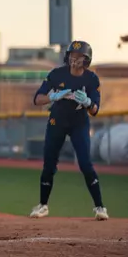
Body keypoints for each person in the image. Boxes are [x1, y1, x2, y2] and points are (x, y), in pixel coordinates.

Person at [30, 40, 108, 221]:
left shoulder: (91, 79)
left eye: (79, 57)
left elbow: (95, 110)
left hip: (79, 123)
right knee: (49, 163)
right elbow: (37, 99)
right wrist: (52, 97)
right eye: (72, 55)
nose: (75, 59)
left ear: (86, 60)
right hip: (57, 121)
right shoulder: (57, 74)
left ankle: (100, 207)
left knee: (85, 163)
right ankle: (43, 205)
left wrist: (88, 102)